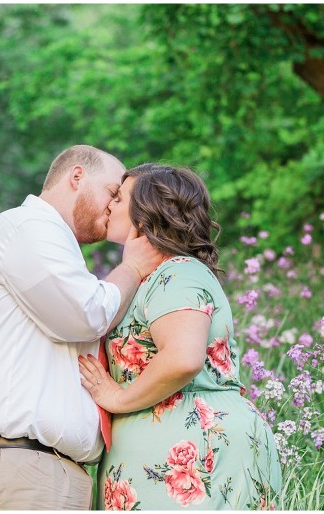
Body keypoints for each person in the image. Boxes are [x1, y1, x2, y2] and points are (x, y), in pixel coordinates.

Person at [0, 145, 164, 510]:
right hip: (15, 466)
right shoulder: (25, 226)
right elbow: (85, 313)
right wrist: (133, 269)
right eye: (112, 192)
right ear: (77, 176)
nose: (114, 207)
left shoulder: (53, 245)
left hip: (42, 471)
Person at [79, 163, 283, 510]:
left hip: (197, 452)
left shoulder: (178, 272)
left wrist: (118, 398)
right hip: (161, 457)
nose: (110, 204)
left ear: (146, 213)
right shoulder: (150, 278)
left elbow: (183, 358)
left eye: (119, 197)